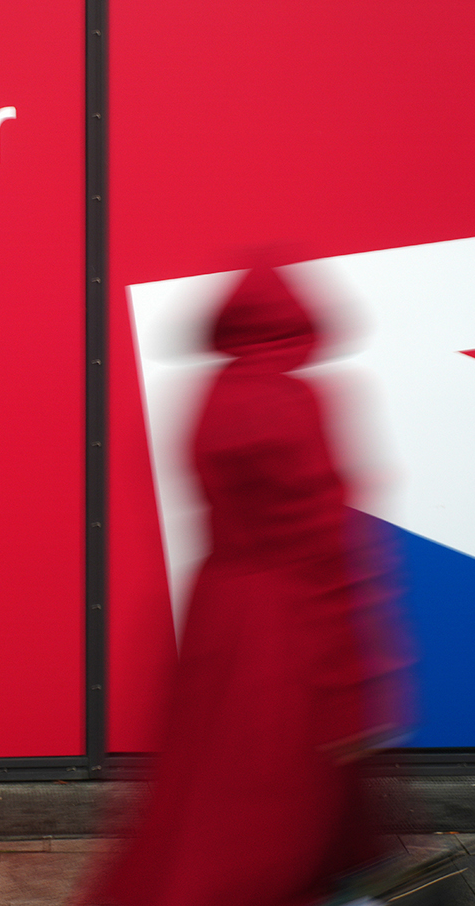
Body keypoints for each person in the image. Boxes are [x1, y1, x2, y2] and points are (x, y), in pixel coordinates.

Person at [82, 264, 403, 906]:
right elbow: (324, 547)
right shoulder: (297, 401)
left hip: (219, 614)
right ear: (299, 325)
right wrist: (356, 681)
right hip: (288, 629)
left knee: (208, 792)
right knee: (280, 803)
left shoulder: (213, 397)